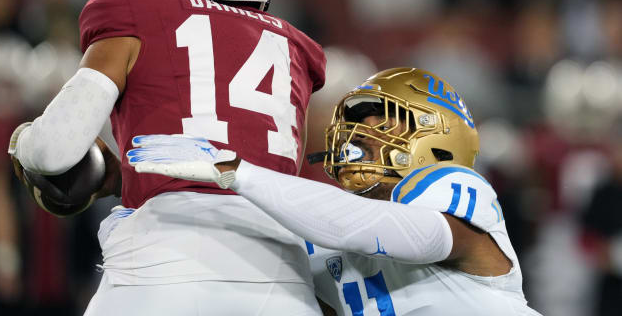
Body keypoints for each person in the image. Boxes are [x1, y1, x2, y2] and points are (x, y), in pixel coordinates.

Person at [8, 0, 326, 316]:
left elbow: (55, 150)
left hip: (164, 269)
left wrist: (23, 141)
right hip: (281, 284)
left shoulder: (134, 13)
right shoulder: (296, 51)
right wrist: (123, 178)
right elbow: (248, 175)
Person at [129, 67, 543, 316]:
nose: (360, 137)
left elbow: (394, 233)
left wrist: (238, 173)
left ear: (438, 137)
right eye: (357, 123)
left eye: (384, 122)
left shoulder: (452, 185)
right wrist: (138, 196)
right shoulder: (327, 224)